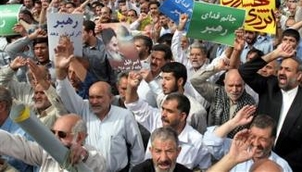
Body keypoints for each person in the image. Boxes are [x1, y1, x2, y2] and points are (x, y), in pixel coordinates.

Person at [54, 43, 145, 172]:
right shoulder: (83, 108)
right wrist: (60, 72)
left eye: (99, 97)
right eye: (91, 97)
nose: (94, 101)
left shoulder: (124, 116)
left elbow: (137, 148)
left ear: (111, 98)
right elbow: (65, 93)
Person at [238, 43, 302, 172]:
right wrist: (274, 54)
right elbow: (245, 70)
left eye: (288, 70)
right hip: (252, 159)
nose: (282, 73)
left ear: (299, 76)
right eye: (281, 68)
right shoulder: (269, 86)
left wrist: (279, 163)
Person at [123, 73, 211, 171]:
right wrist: (131, 87)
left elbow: (205, 169)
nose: (163, 114)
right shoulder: (156, 119)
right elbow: (133, 104)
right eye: (163, 109)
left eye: (169, 111)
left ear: (182, 116)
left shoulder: (197, 142)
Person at [0, 113, 107, 172]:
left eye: (61, 134)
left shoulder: (93, 156)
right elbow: (16, 144)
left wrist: (83, 154)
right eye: (52, 133)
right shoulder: (46, 153)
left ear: (79, 137)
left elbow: (96, 162)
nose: (55, 138)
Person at [204, 107, 292, 172]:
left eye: (262, 139)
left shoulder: (282, 166)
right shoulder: (236, 149)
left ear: (273, 140)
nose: (256, 143)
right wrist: (234, 122)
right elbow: (209, 143)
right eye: (253, 137)